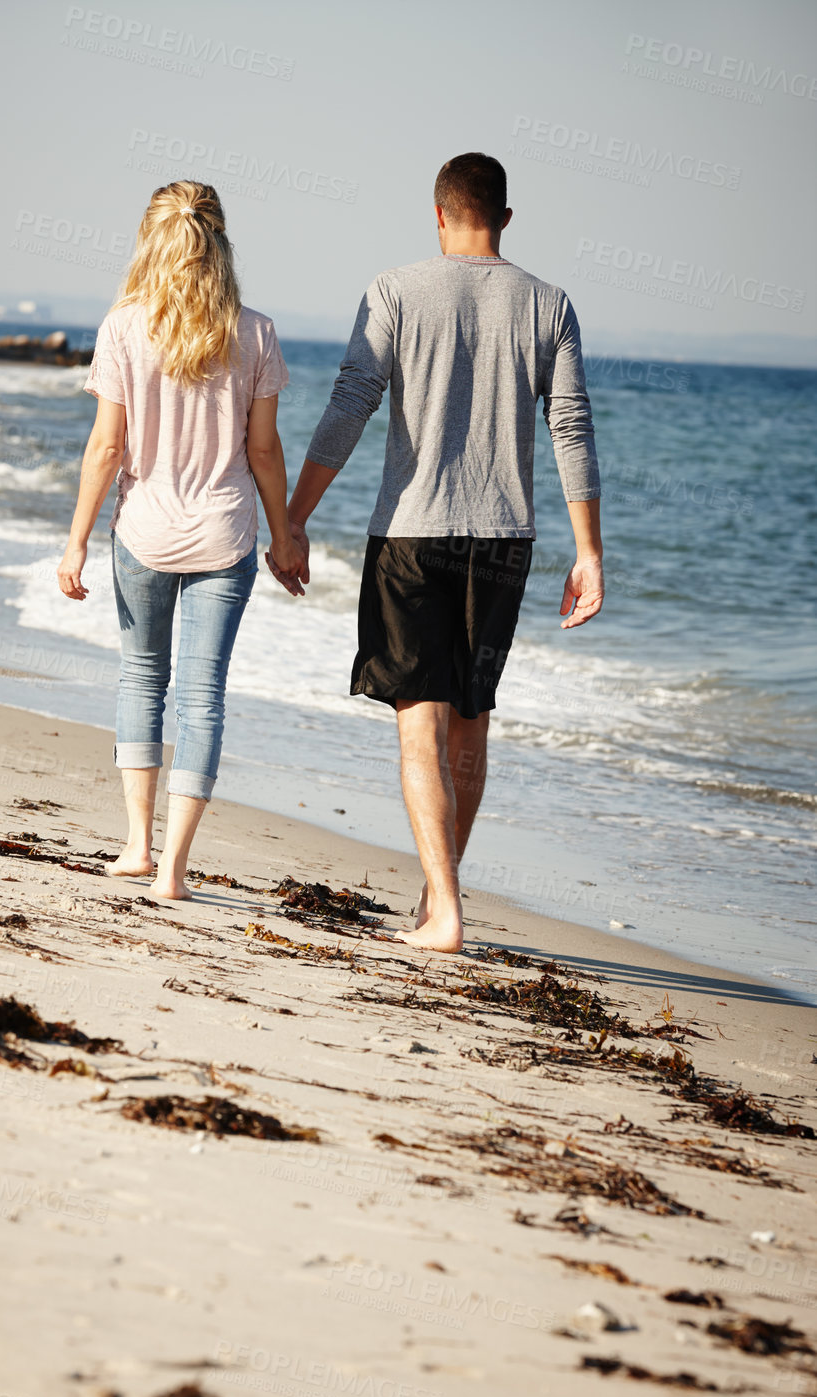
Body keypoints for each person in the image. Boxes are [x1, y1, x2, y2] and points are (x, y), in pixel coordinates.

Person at [275, 152, 604, 951]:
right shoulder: (549, 303)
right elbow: (572, 426)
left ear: (438, 214)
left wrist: (293, 516)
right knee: (471, 722)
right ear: (506, 216)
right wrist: (589, 550)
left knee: (418, 724)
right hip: (505, 539)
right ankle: (436, 900)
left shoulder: (393, 290)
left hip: (413, 535)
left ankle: (445, 912)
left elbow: (351, 402)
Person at [58, 179, 304, 899]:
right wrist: (285, 535)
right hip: (224, 536)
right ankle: (173, 870)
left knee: (142, 678)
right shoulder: (255, 331)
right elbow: (264, 452)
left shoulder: (123, 327)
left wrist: (74, 544)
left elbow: (106, 449)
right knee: (202, 697)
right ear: (220, 241)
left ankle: (137, 845)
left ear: (151, 240)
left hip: (142, 533)